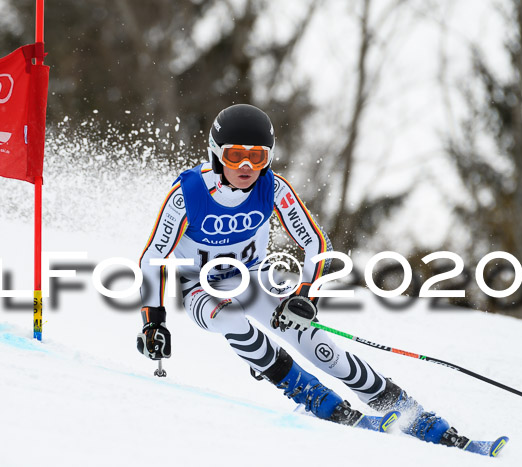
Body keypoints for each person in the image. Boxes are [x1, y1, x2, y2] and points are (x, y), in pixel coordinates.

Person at [136, 104, 494, 451]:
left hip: (255, 278)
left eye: (257, 157)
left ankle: (419, 419)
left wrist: (306, 294)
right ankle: (307, 392)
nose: (246, 166)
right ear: (216, 155)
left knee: (323, 349)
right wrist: (154, 321)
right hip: (200, 288)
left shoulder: (273, 189)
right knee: (232, 319)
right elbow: (153, 258)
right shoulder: (187, 196)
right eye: (235, 156)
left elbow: (315, 242)